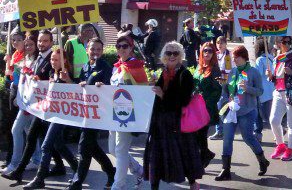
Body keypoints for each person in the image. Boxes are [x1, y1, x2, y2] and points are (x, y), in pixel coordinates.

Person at [2, 30, 66, 183]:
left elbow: (53, 79)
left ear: (51, 42)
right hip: (29, 103)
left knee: (20, 131)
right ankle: (39, 163)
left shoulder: (51, 58)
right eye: (40, 41)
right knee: (36, 136)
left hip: (39, 105)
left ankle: (16, 165)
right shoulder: (36, 58)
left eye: (44, 41)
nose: (41, 44)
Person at [144, 41, 203, 190]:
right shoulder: (161, 73)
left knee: (183, 155)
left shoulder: (185, 74)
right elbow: (154, 98)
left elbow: (184, 100)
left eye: (175, 53)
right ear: (164, 55)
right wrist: (151, 88)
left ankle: (192, 183)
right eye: (168, 53)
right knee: (155, 157)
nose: (171, 56)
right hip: (159, 123)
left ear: (180, 56)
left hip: (177, 123)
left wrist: (163, 94)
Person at [23, 49, 78, 189]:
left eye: (56, 60)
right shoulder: (51, 72)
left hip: (62, 115)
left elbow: (76, 92)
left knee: (46, 145)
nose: (53, 62)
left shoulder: (66, 74)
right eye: (52, 59)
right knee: (58, 144)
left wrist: (68, 81)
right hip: (51, 113)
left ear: (64, 61)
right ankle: (78, 168)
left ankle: (39, 179)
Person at [67, 38, 115, 190]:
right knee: (92, 146)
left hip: (98, 113)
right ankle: (111, 171)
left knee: (83, 146)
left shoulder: (105, 67)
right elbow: (82, 81)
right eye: (93, 49)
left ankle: (77, 182)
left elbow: (111, 86)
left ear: (102, 51)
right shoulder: (86, 66)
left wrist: (103, 86)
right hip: (85, 112)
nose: (95, 52)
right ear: (87, 49)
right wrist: (81, 83)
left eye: (98, 50)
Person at [215, 46, 269, 181]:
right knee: (227, 139)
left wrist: (248, 88)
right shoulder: (233, 71)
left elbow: (260, 91)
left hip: (247, 111)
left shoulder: (253, 72)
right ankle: (225, 169)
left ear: (244, 57)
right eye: (233, 57)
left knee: (248, 137)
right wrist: (224, 89)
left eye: (236, 57)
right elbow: (228, 90)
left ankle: (262, 160)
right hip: (232, 110)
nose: (234, 60)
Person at [108, 35, 148, 189]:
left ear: (131, 48)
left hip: (128, 114)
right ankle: (138, 170)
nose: (121, 49)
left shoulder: (137, 66)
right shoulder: (117, 66)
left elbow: (142, 92)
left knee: (121, 149)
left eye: (125, 46)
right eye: (118, 46)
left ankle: (118, 185)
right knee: (113, 149)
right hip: (113, 113)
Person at [0, 33, 40, 175]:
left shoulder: (36, 61)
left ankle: (14, 164)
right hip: (23, 99)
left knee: (16, 130)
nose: (28, 47)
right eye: (27, 44)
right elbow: (14, 77)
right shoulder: (25, 59)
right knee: (29, 131)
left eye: (30, 44)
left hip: (31, 102)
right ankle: (36, 160)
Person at [267, 36, 292, 161]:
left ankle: (290, 150)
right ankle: (280, 145)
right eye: (284, 42)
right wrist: (271, 76)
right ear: (278, 43)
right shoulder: (277, 58)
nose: (287, 44)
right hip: (278, 92)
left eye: (289, 41)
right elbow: (276, 77)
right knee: (274, 120)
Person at [193, 42, 222, 168]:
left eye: (210, 51)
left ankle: (202, 158)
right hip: (195, 106)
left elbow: (218, 90)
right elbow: (194, 83)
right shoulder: (199, 67)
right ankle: (206, 154)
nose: (207, 53)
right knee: (196, 134)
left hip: (206, 107)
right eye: (205, 50)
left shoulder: (215, 69)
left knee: (201, 133)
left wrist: (206, 102)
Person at [3, 26, 25, 167]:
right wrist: (8, 63)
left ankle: (16, 159)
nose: (15, 42)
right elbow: (9, 75)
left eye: (18, 40)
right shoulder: (16, 54)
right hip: (13, 90)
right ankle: (12, 157)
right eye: (13, 40)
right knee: (12, 125)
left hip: (20, 92)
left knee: (18, 128)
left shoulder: (25, 55)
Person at [209, 36, 234, 140]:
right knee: (221, 108)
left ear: (225, 44)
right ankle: (222, 130)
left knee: (221, 108)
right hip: (217, 84)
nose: (219, 45)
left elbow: (227, 72)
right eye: (218, 43)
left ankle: (220, 131)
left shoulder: (228, 56)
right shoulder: (217, 55)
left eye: (222, 43)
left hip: (224, 85)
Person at [254, 39, 275, 142]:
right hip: (271, 91)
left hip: (262, 92)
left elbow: (257, 75)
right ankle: (278, 129)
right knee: (269, 114)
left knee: (260, 114)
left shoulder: (259, 60)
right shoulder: (272, 58)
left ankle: (258, 134)